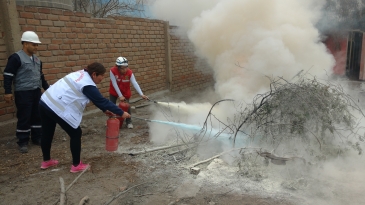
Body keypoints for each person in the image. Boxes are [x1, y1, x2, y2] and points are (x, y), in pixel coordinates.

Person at [38, 62, 130, 173]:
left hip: (45, 101)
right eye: (101, 76)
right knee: (76, 133)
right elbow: (101, 100)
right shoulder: (87, 84)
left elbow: (95, 99)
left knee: (47, 132)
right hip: (55, 106)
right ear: (95, 74)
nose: (102, 79)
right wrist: (121, 112)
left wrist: (105, 110)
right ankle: (76, 165)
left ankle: (46, 161)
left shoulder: (81, 74)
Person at [3, 31, 49, 153]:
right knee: (24, 116)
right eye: (34, 44)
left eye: (37, 45)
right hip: (23, 93)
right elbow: (8, 75)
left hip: (36, 91)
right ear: (25, 44)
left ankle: (37, 137)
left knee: (37, 115)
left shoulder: (37, 60)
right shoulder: (16, 58)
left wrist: (48, 90)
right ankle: (23, 141)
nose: (36, 47)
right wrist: (8, 91)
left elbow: (41, 76)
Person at [109, 56, 148, 129]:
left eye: (126, 67)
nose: (125, 70)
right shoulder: (112, 71)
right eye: (122, 68)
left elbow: (134, 83)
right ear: (118, 67)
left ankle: (129, 122)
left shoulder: (129, 72)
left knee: (127, 106)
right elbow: (114, 83)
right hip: (114, 90)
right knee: (111, 106)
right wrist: (120, 96)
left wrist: (141, 94)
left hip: (125, 91)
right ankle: (112, 120)